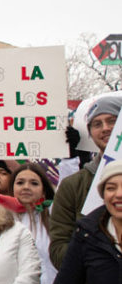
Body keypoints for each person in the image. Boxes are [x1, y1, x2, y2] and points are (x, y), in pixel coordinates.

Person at [50, 95, 121, 266]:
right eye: (97, 124)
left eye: (112, 121)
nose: (105, 128)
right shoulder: (72, 186)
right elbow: (58, 250)